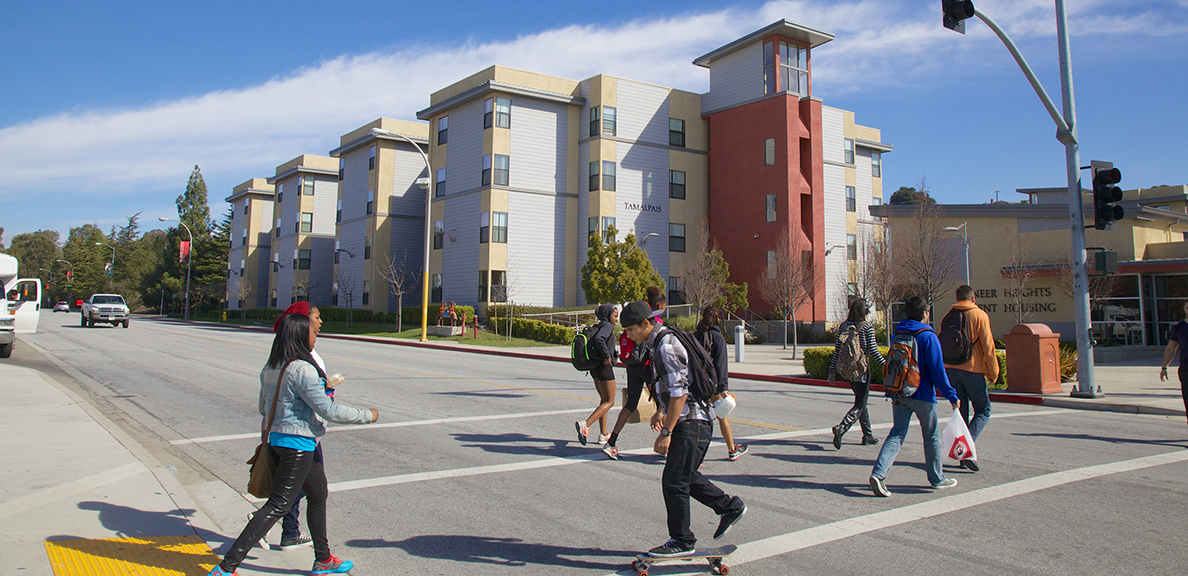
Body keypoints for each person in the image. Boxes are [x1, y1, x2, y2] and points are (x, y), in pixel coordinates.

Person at [207, 313, 379, 576]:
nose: (316, 334)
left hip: (285, 441)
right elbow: (328, 410)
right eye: (312, 331)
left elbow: (263, 408)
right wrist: (366, 415)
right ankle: (226, 567)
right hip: (296, 445)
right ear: (299, 335)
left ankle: (323, 559)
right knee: (278, 506)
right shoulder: (303, 369)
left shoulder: (271, 367)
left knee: (318, 494)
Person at [620, 301, 746, 557]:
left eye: (631, 330)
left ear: (646, 324)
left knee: (674, 480)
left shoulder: (665, 345)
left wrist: (666, 433)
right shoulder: (659, 342)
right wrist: (660, 410)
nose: (628, 336)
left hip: (692, 422)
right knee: (684, 476)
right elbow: (673, 389)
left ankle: (682, 540)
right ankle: (729, 507)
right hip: (692, 420)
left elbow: (679, 394)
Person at [869, 296, 960, 498]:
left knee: (897, 433)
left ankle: (879, 474)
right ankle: (937, 478)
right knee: (931, 435)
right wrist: (951, 395)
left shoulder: (898, 334)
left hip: (899, 391)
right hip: (923, 395)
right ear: (925, 313)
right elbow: (938, 371)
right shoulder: (928, 337)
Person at [940, 285, 999, 472]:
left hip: (951, 370)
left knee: (962, 414)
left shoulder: (948, 316)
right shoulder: (979, 315)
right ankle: (966, 448)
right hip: (973, 370)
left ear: (958, 298)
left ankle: (963, 453)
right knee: (983, 410)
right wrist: (993, 372)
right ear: (973, 299)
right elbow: (988, 347)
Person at [828, 298, 887, 449]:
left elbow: (837, 351)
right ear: (864, 311)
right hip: (862, 369)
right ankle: (841, 428)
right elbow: (873, 351)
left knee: (862, 401)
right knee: (860, 403)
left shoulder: (843, 326)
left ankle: (867, 435)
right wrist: (886, 365)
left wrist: (832, 372)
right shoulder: (867, 327)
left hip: (847, 369)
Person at [695, 306, 748, 461]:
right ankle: (732, 449)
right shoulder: (717, 338)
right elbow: (721, 364)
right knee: (722, 415)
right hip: (711, 384)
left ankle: (694, 456)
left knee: (694, 418)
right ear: (718, 319)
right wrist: (723, 387)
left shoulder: (695, 336)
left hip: (696, 382)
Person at [575, 303, 619, 446]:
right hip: (604, 366)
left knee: (604, 400)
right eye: (615, 316)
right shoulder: (607, 326)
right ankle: (585, 425)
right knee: (610, 401)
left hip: (594, 367)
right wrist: (607, 356)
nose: (616, 320)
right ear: (608, 315)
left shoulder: (598, 325)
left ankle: (604, 434)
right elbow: (600, 339)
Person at [1159, 298, 1188, 427]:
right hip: (1186, 369)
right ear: (1184, 309)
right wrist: (1164, 367)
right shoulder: (1178, 327)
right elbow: (1171, 349)